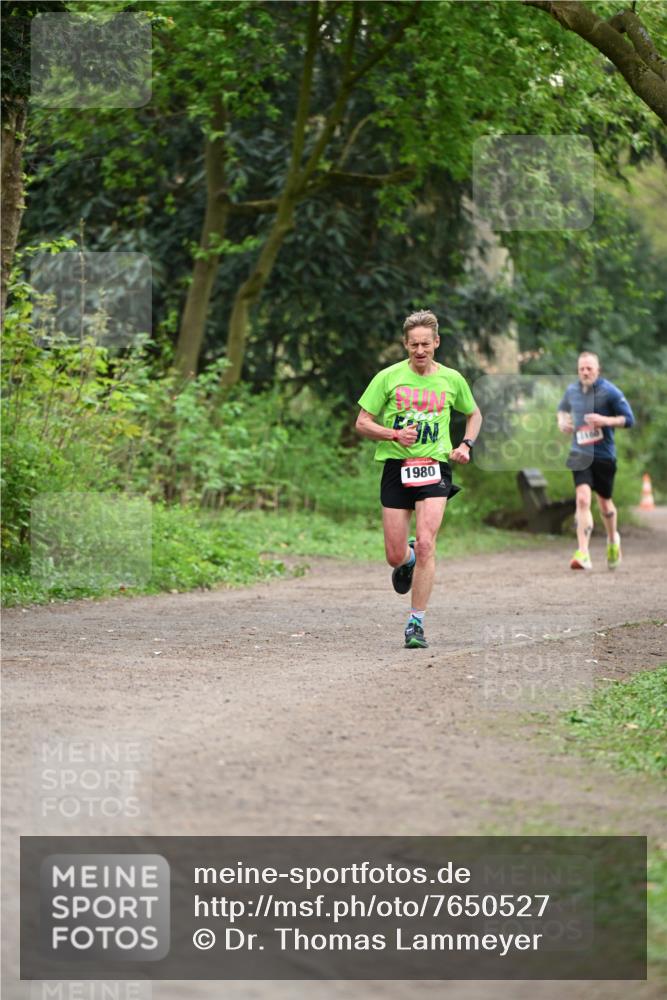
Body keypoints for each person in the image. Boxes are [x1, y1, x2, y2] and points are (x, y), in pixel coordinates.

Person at [355, 309, 482, 649]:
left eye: (426, 344)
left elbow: (473, 413)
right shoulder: (388, 377)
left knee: (427, 542)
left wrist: (466, 444)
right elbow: (362, 422)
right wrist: (393, 434)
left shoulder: (452, 380)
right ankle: (407, 560)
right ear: (405, 344)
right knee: (395, 556)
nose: (420, 350)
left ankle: (416, 623)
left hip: (434, 466)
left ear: (436, 343)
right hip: (397, 467)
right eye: (414, 344)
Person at [557, 351, 635, 571]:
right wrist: (563, 422)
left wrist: (605, 420)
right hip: (579, 453)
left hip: (603, 456)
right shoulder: (572, 390)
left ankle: (612, 540)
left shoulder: (610, 392)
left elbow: (629, 419)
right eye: (581, 368)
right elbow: (562, 410)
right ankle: (583, 553)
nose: (585, 372)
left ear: (598, 369)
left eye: (589, 368)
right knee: (582, 499)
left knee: (605, 504)